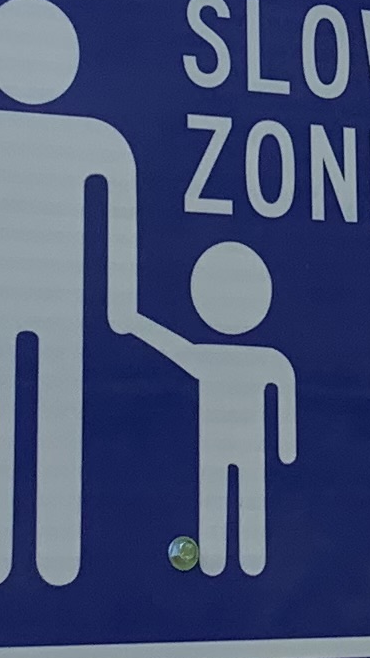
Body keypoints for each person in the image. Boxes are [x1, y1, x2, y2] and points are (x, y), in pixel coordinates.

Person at [0, 0, 145, 588]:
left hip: (63, 304)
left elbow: (119, 218)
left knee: (60, 413)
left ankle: (59, 553)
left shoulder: (97, 140)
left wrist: (121, 306)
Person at [125, 241, 298, 578]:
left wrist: (286, 450)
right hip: (215, 447)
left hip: (246, 449)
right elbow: (176, 348)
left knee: (248, 499)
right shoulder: (235, 357)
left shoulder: (264, 359)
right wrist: (135, 324)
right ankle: (219, 561)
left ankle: (250, 561)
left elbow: (285, 398)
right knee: (215, 499)